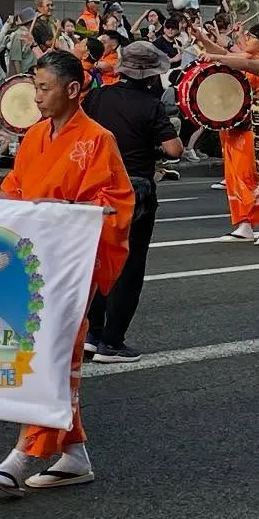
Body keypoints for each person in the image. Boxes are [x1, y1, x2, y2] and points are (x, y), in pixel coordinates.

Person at [0, 51, 134, 496]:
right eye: (36, 87)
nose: (36, 97)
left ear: (73, 90)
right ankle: (74, 453)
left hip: (67, 267)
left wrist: (71, 213)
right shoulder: (37, 135)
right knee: (48, 356)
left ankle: (27, 454)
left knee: (52, 357)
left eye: (44, 88)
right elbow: (16, 189)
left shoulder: (98, 140)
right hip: (31, 263)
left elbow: (115, 207)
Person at [82, 42, 184, 363]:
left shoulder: (98, 97)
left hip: (97, 186)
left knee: (98, 260)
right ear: (152, 76)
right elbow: (174, 149)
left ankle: (91, 331)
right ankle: (113, 342)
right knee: (130, 265)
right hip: (134, 188)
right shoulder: (151, 105)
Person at [195, 23, 259, 245]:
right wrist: (203, 40)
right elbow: (226, 53)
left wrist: (216, 57)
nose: (246, 39)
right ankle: (244, 224)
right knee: (235, 177)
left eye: (250, 36)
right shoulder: (249, 57)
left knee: (252, 176)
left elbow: (240, 62)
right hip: (237, 124)